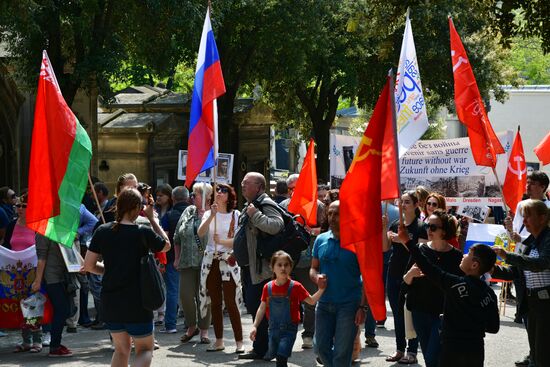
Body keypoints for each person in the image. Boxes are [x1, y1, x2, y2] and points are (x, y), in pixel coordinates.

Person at [84, 188, 170, 367]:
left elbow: (89, 266)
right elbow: (166, 246)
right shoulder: (143, 232)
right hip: (138, 302)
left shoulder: (102, 231)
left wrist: (108, 271)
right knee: (145, 349)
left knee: (121, 350)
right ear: (138, 207)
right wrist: (152, 219)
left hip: (111, 301)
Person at [399, 219, 499, 367]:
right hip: (476, 349)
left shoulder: (455, 285)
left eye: (468, 254)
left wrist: (407, 241)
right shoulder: (490, 294)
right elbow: (493, 327)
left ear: (474, 264)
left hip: (452, 348)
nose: (464, 255)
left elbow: (428, 268)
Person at [402, 210, 463, 367]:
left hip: (442, 314)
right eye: (427, 225)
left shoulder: (456, 256)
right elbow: (405, 282)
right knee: (431, 359)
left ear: (445, 230)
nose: (429, 230)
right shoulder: (420, 249)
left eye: (434, 227)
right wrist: (410, 274)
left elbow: (459, 286)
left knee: (431, 356)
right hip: (419, 311)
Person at [494, 199, 550, 367]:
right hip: (531, 302)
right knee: (536, 352)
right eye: (523, 216)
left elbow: (541, 264)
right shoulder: (530, 241)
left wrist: (508, 256)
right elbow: (516, 272)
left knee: (544, 353)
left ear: (542, 218)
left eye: (527, 217)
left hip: (546, 303)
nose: (524, 221)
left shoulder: (548, 239)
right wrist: (491, 269)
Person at [310, 200, 365, 367]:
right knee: (320, 348)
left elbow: (368, 279)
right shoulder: (320, 239)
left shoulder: (359, 241)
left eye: (337, 214)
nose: (332, 218)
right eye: (330, 213)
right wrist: (316, 277)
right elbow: (313, 268)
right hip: (324, 303)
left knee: (342, 353)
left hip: (349, 305)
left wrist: (363, 307)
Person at [238, 172, 285, 360]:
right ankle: (261, 347)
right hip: (250, 268)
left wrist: (255, 215)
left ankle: (265, 349)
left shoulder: (265, 204)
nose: (242, 185)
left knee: (262, 308)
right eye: (242, 183)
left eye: (246, 183)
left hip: (262, 270)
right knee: (254, 305)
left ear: (259, 187)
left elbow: (276, 225)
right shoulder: (251, 205)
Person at [250, 250, 326, 367]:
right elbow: (262, 307)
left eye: (286, 265)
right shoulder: (268, 287)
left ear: (291, 267)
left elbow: (311, 301)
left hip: (289, 329)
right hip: (273, 329)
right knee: (276, 355)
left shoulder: (295, 286)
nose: (283, 268)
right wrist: (255, 326)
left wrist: (321, 289)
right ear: (272, 267)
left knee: (281, 357)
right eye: (279, 265)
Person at [279, 173, 325, 349]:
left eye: (295, 188)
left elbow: (327, 229)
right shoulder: (283, 206)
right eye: (290, 188)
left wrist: (313, 231)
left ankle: (308, 333)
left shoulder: (318, 206)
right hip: (288, 261)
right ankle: (286, 334)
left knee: (309, 299)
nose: (292, 191)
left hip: (308, 260)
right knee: (286, 299)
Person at [197, 183, 244, 352]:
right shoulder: (209, 213)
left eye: (223, 190)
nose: (219, 192)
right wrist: (211, 216)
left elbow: (238, 240)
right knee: (215, 302)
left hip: (228, 260)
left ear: (229, 196)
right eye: (217, 190)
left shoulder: (236, 215)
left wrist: (222, 242)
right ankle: (219, 340)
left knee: (231, 302)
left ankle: (239, 342)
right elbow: (200, 233)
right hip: (211, 261)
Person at [383, 191, 424, 364]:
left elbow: (421, 254)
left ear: (416, 205)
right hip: (393, 273)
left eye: (407, 202)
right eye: (401, 202)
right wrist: (384, 228)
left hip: (412, 275)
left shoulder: (421, 226)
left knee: (410, 313)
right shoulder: (395, 224)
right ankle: (400, 349)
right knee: (397, 314)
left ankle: (412, 351)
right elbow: (385, 248)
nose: (403, 205)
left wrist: (403, 240)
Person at [174, 183, 212, 344]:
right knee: (185, 296)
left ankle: (204, 330)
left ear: (206, 197)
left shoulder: (214, 213)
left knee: (204, 296)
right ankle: (191, 326)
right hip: (186, 260)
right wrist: (176, 258)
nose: (192, 197)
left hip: (206, 262)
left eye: (195, 194)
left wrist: (207, 218)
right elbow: (177, 236)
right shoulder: (188, 211)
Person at [32, 234, 76, 357]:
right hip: (51, 278)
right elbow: (41, 258)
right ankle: (55, 346)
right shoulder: (42, 233)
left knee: (64, 310)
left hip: (62, 276)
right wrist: (38, 281)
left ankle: (56, 344)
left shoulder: (60, 230)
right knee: (62, 310)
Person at [158, 185, 189, 334]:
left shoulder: (168, 216)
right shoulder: (197, 214)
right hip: (194, 259)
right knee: (192, 291)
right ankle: (192, 324)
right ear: (188, 198)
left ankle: (170, 324)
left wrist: (161, 260)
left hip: (172, 259)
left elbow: (163, 239)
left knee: (172, 291)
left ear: (173, 199)